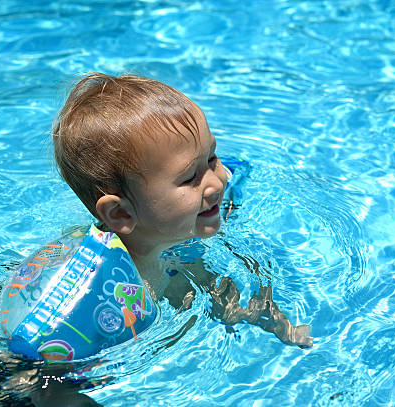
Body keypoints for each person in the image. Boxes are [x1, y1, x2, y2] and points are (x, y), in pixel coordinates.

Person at [52, 72, 313, 349]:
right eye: (190, 177)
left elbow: (219, 299)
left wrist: (276, 323)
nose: (218, 180)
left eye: (212, 158)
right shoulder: (123, 285)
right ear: (120, 214)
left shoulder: (164, 239)